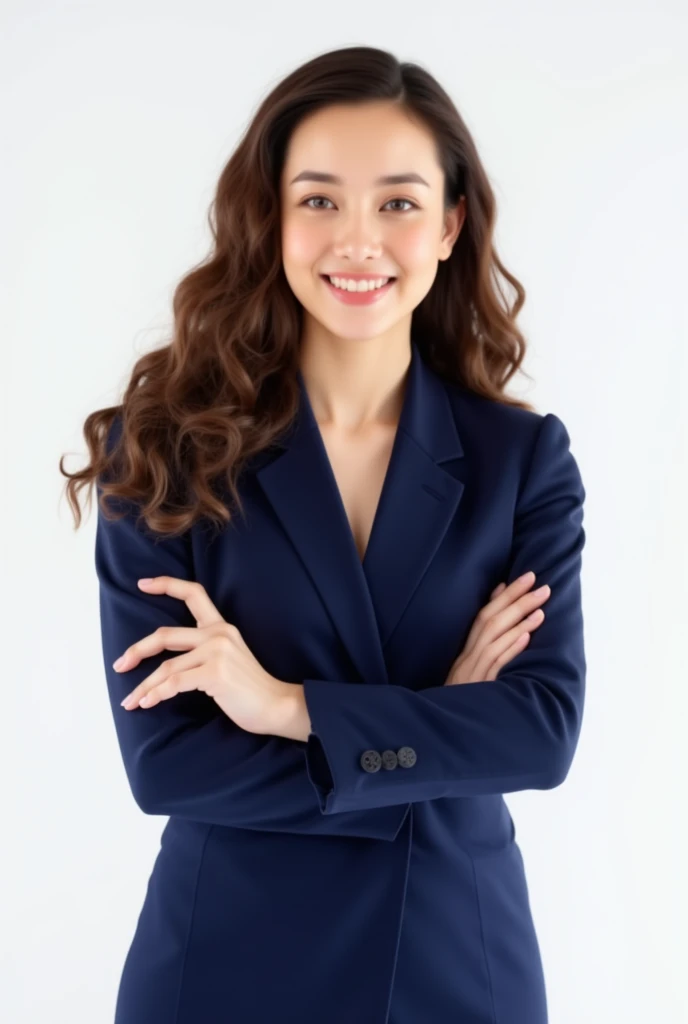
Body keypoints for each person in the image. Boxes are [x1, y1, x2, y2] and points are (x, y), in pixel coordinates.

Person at [60, 44, 587, 1024]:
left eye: (396, 201)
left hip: (449, 967)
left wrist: (284, 704)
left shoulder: (520, 461)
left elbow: (540, 732)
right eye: (318, 200)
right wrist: (432, 729)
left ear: (450, 222)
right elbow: (167, 765)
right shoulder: (165, 448)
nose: (358, 240)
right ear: (270, 217)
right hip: (224, 965)